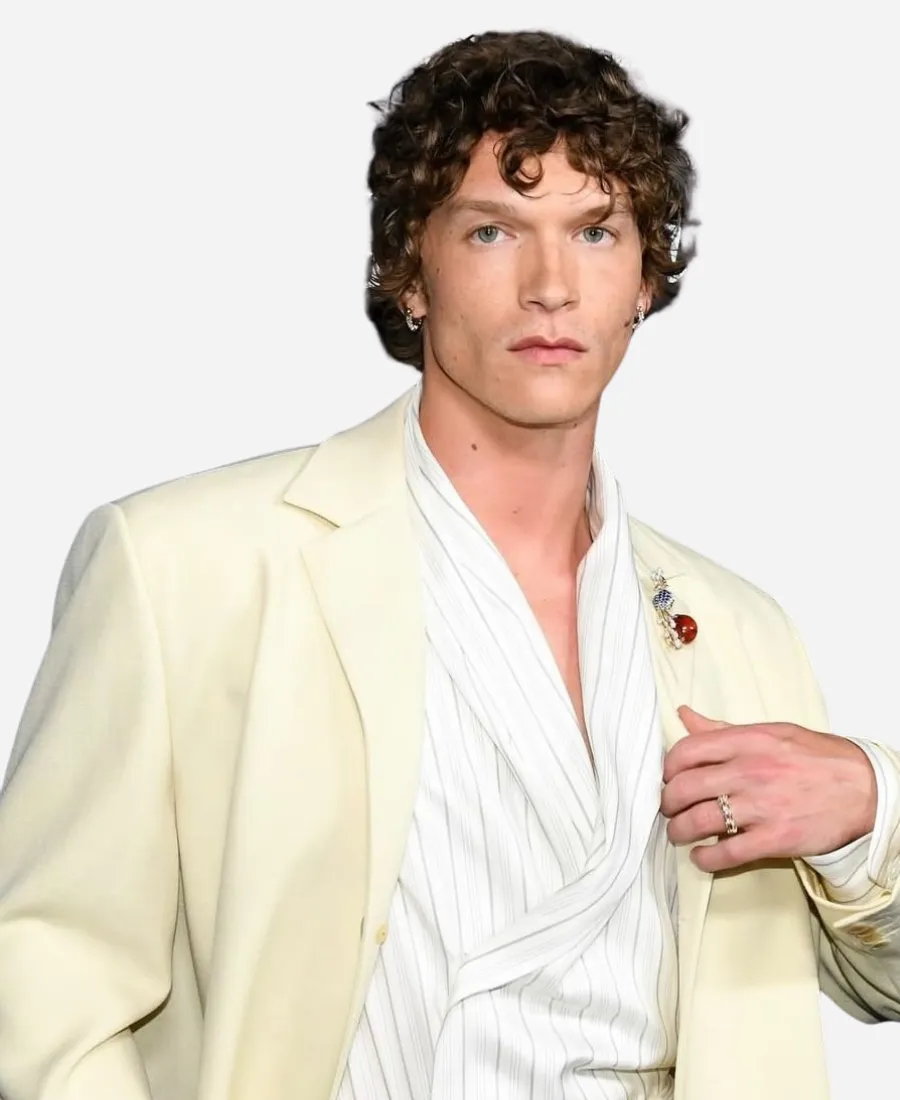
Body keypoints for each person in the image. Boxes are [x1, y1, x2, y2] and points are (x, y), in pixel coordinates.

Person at [0, 28, 898, 1100]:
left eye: (596, 231)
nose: (552, 285)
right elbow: (42, 975)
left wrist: (870, 811)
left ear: (644, 279)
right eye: (492, 230)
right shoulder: (186, 569)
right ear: (408, 272)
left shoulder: (740, 628)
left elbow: (878, 983)